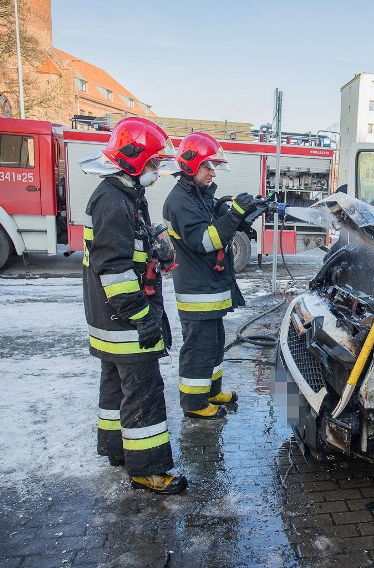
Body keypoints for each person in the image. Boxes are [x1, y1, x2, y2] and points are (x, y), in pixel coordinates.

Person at [81, 116, 186, 495]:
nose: (157, 171)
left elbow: (127, 250)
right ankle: (149, 468)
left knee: (115, 386)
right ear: (134, 160)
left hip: (109, 319)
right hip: (125, 319)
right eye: (154, 164)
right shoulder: (113, 201)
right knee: (144, 392)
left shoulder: (121, 194)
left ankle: (116, 449)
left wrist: (154, 241)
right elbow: (115, 270)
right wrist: (143, 318)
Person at [163, 132, 259, 420]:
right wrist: (233, 216)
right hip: (197, 293)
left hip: (209, 290)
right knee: (199, 349)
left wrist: (236, 213)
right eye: (207, 167)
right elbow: (205, 240)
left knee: (215, 345)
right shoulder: (179, 201)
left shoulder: (196, 196)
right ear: (190, 166)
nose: (212, 172)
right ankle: (194, 404)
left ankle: (211, 391)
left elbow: (213, 219)